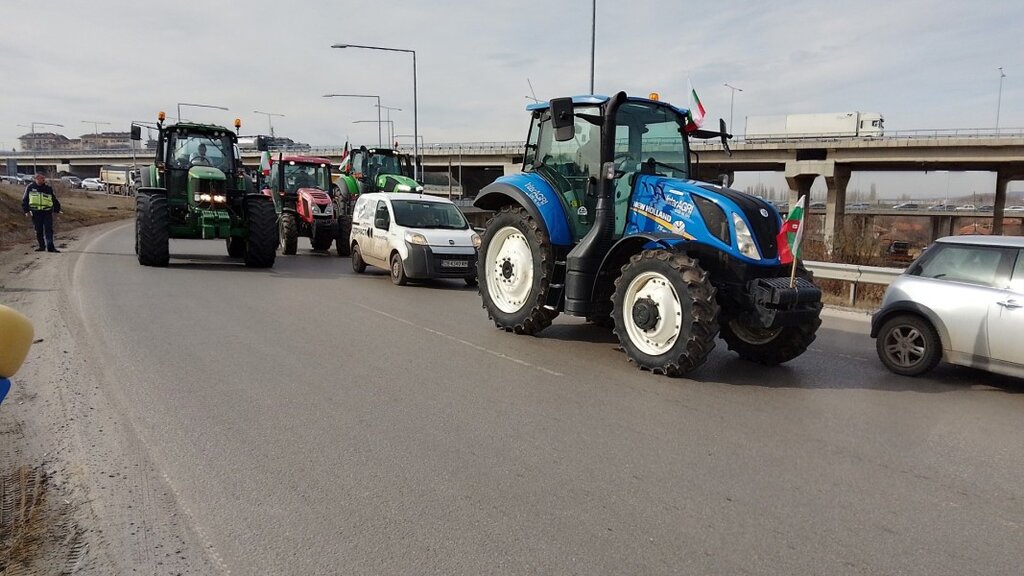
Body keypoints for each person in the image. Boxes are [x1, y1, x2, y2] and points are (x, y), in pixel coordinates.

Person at [22, 172, 62, 253]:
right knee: (38, 230)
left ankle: (50, 247)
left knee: (48, 230)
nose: (44, 180)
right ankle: (41, 246)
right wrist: (26, 211)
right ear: (36, 179)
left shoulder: (48, 188)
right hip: (36, 213)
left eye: (44, 178)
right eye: (42, 178)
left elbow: (54, 200)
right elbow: (25, 200)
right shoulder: (30, 187)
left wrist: (57, 210)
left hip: (47, 212)